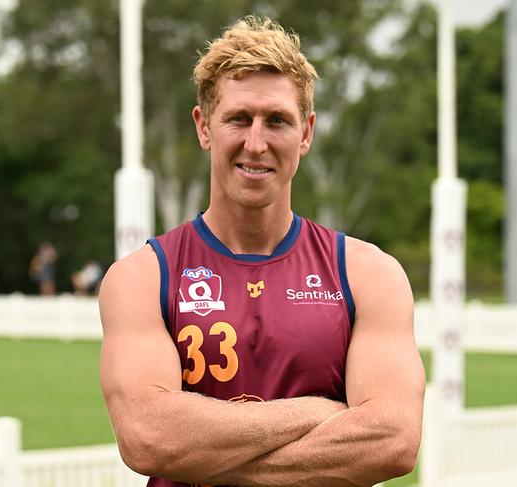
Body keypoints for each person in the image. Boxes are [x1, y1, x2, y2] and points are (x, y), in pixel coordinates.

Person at [99, 16, 425, 487]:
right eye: (238, 119)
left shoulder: (367, 273)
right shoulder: (143, 277)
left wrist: (209, 459)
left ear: (306, 133)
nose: (256, 143)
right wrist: (313, 413)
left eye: (277, 120)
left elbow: (393, 440)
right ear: (204, 127)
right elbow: (149, 438)